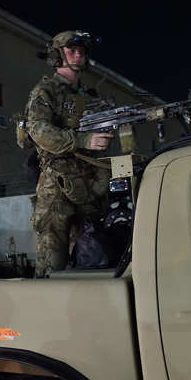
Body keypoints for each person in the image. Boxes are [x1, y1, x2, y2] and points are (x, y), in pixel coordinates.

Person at [26, 30, 114, 277]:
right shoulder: (46, 91)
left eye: (82, 50)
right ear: (57, 56)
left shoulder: (89, 96)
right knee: (53, 262)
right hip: (58, 184)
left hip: (90, 184)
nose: (78, 54)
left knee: (92, 258)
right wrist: (85, 140)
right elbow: (39, 131)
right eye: (71, 50)